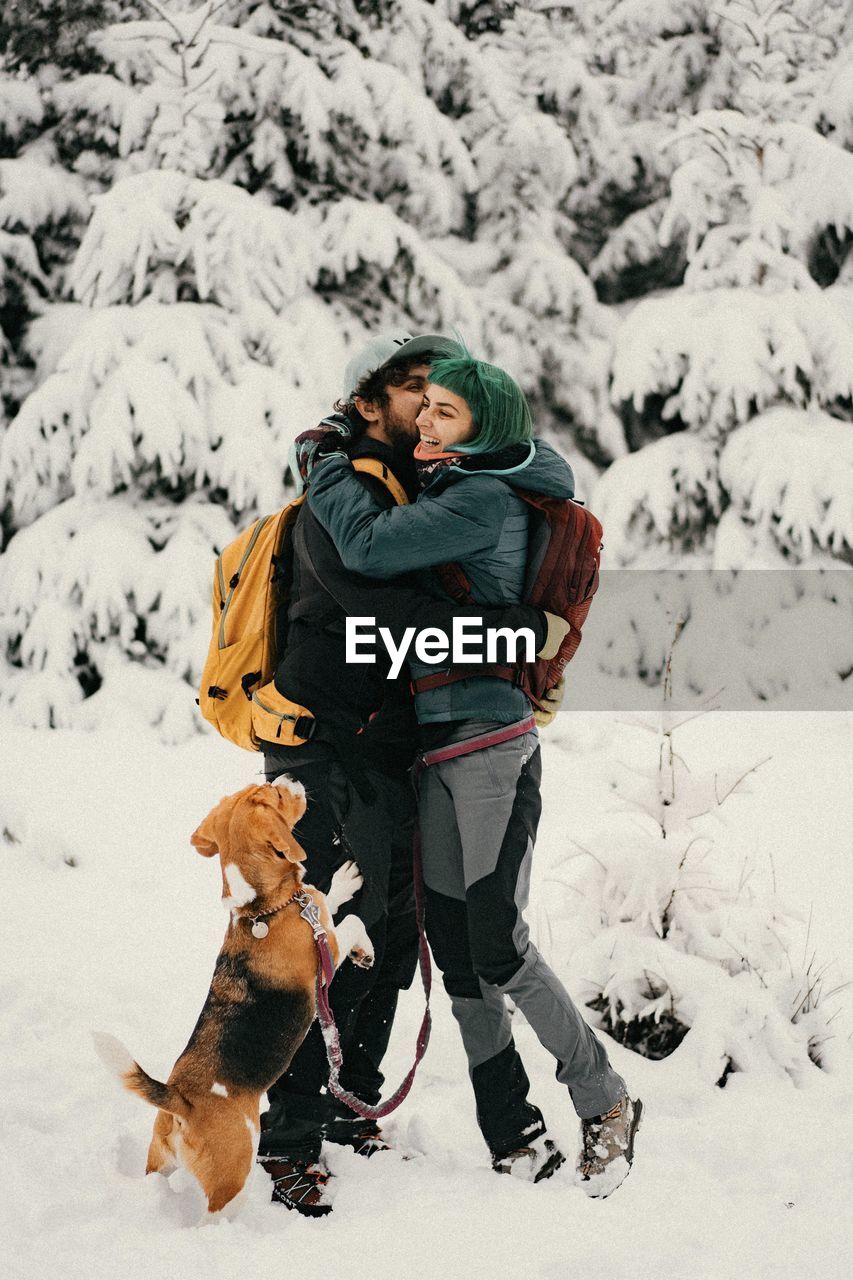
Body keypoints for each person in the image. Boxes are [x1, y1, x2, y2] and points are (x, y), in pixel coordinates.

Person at [303, 352, 643, 1197]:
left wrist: (321, 459)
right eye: (422, 410)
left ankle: (603, 1099)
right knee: (458, 953)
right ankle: (513, 1138)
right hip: (436, 745)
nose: (425, 423)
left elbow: (371, 545)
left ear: (484, 423)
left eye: (444, 413)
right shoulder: (461, 484)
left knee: (496, 941)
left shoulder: (482, 498)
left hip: (488, 743)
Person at [256, 334, 556, 1215]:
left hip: (389, 745)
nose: (426, 407)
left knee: (384, 933)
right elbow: (375, 603)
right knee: (315, 935)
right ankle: (289, 1140)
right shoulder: (338, 487)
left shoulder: (420, 485)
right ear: (368, 401)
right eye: (412, 391)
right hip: (316, 742)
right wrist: (506, 631)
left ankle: (351, 1109)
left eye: (440, 396)